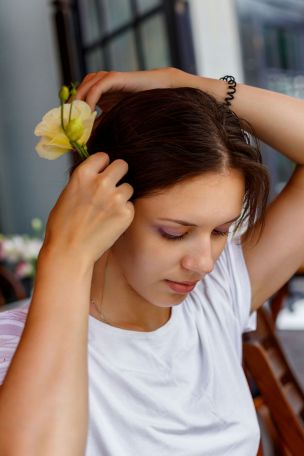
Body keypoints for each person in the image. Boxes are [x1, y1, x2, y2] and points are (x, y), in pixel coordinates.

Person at [0, 67, 304, 455]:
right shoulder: (19, 345)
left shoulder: (215, 296)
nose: (204, 262)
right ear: (105, 211)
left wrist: (187, 83)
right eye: (174, 233)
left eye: (219, 231)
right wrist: (66, 252)